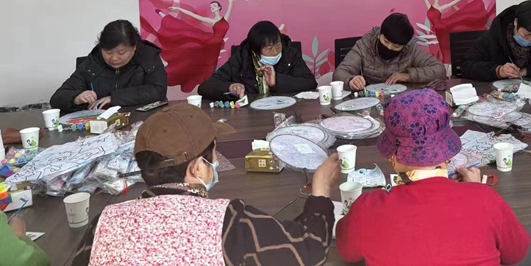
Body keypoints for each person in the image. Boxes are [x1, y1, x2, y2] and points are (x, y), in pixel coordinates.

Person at [70, 104, 340, 265]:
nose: (217, 161)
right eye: (214, 154)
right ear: (197, 168)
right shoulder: (228, 221)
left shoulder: (103, 224)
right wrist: (320, 191)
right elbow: (309, 249)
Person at [337, 89, 530, 265]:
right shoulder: (485, 198)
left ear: (393, 158)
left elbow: (348, 253)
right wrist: (477, 190)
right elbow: (516, 253)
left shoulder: (368, 208)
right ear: (447, 155)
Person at [50, 20, 167, 112]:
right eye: (108, 52)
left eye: (121, 52)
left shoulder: (148, 58)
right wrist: (76, 98)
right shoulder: (93, 63)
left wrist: (115, 98)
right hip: (100, 127)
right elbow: (57, 98)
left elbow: (158, 90)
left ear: (134, 47)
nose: (114, 58)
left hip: (142, 123)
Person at [198, 21, 315, 100]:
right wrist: (229, 87)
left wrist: (277, 81)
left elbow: (310, 83)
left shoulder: (290, 54)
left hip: (286, 110)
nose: (275, 52)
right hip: (251, 116)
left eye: (278, 45)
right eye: (269, 49)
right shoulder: (241, 59)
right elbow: (205, 87)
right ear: (255, 50)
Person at [150, 0, 233, 92]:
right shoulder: (211, 21)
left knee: (207, 65)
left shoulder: (225, 18)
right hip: (209, 42)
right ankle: (164, 17)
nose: (212, 8)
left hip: (215, 46)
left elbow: (231, 2)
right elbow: (193, 15)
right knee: (187, 37)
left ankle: (203, 84)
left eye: (214, 6)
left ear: (219, 7)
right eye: (211, 7)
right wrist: (179, 9)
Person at [461, 0, 531, 81]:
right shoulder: (495, 35)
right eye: (526, 34)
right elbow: (467, 65)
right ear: (516, 22)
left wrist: (528, 71)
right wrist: (499, 70)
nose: (530, 40)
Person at [333, 14, 446, 91]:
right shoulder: (365, 45)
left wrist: (408, 76)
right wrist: (351, 80)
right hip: (371, 99)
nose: (389, 47)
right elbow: (340, 72)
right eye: (386, 41)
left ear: (404, 45)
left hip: (401, 100)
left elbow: (439, 70)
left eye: (396, 46)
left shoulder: (410, 49)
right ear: (379, 34)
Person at [421, 0, 491, 64]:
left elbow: (456, 1)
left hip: (443, 26)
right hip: (440, 29)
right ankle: (448, 69)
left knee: (464, 14)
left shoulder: (442, 8)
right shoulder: (429, 7)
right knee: (445, 50)